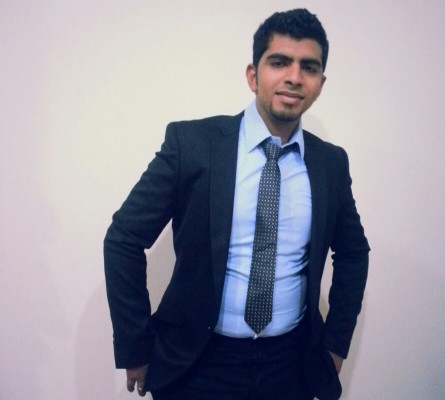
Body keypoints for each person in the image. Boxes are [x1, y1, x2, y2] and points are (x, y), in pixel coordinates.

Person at [104, 8, 369, 400]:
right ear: (253, 75)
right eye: (279, 62)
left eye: (309, 67)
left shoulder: (330, 163)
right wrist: (136, 347)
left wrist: (334, 346)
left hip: (290, 367)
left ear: (320, 84)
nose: (294, 77)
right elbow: (123, 238)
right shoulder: (192, 145)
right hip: (198, 365)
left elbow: (353, 252)